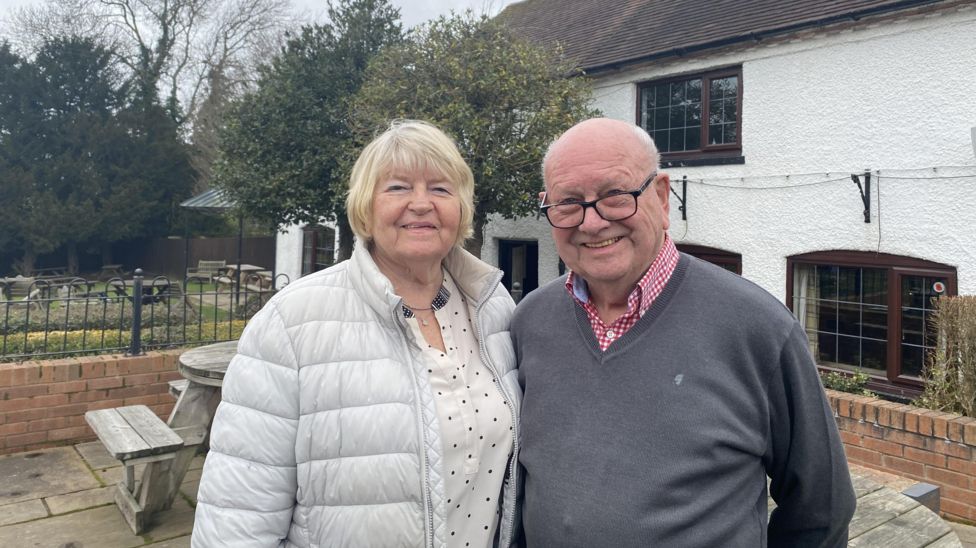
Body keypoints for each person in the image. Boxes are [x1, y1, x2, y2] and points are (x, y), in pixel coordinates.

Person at [512, 118, 855, 547]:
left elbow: (821, 513)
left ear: (660, 198)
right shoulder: (530, 322)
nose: (593, 222)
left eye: (615, 196)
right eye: (568, 203)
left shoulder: (758, 328)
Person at [192, 120, 522, 547]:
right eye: (398, 187)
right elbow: (238, 511)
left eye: (440, 189)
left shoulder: (495, 310)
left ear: (461, 209)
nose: (421, 204)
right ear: (366, 208)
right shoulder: (292, 322)